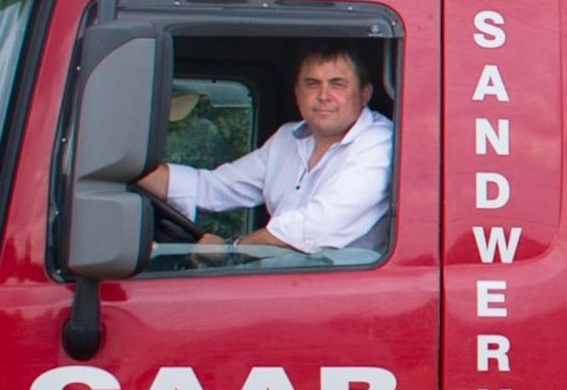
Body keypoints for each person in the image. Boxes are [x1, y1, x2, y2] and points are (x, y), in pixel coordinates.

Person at [137, 41, 393, 255]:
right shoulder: (286, 139)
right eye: (312, 84)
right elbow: (211, 188)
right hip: (287, 284)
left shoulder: (380, 142)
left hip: (343, 297)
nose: (323, 95)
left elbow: (316, 228)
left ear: (364, 94)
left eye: (337, 84)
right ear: (297, 93)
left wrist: (229, 251)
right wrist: (130, 168)